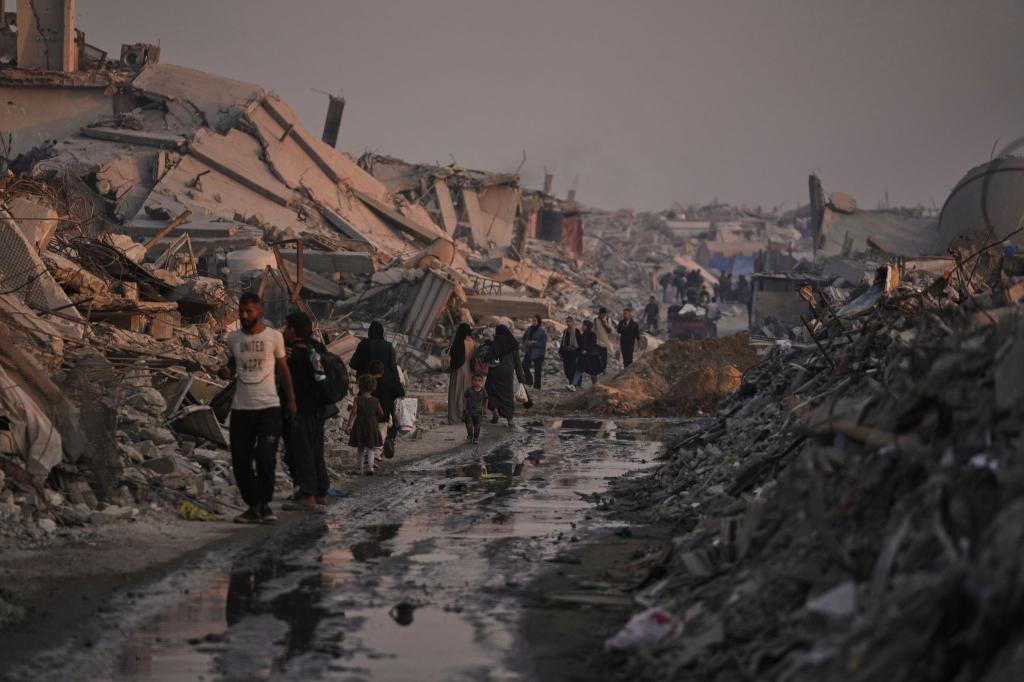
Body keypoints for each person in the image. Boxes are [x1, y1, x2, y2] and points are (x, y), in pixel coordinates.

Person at [219, 292, 296, 525]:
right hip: (241, 408)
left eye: (248, 311)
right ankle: (254, 506)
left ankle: (263, 504)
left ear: (259, 311)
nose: (243, 315)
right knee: (240, 460)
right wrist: (225, 371)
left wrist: (291, 400)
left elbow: (283, 370)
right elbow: (232, 365)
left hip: (268, 407)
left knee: (265, 457)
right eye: (241, 310)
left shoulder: (274, 337)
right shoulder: (233, 338)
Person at [280, 312, 330, 512]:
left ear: (293, 329)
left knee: (301, 451)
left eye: (287, 327)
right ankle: (320, 492)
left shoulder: (292, 352)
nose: (284, 331)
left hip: (300, 407)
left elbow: (285, 377)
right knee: (316, 450)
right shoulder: (317, 347)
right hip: (319, 407)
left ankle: (307, 495)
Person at [484, 324, 526, 429]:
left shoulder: (495, 344)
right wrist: (521, 378)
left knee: (490, 392)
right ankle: (510, 419)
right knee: (507, 396)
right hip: (508, 374)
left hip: (495, 373)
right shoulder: (513, 345)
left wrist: (488, 344)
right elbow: (517, 363)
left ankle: (495, 411)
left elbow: (487, 357)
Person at [346, 374, 384, 475]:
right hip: (372, 424)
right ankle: (370, 467)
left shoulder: (357, 400)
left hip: (360, 425)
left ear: (360, 386)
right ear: (373, 387)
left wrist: (349, 425)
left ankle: (360, 468)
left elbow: (353, 413)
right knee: (371, 447)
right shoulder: (376, 400)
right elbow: (381, 413)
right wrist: (374, 418)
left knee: (361, 447)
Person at [369, 359, 405, 458]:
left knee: (368, 438)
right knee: (381, 434)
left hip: (368, 416)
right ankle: (376, 454)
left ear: (370, 371)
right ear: (382, 371)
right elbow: (401, 392)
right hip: (384, 416)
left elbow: (360, 395)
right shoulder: (389, 381)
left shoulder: (368, 382)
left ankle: (368, 455)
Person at [446, 322, 478, 425]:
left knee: (456, 394)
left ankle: (455, 418)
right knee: (466, 395)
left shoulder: (458, 342)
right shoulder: (472, 342)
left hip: (459, 371)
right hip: (469, 372)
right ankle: (466, 416)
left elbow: (453, 358)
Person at [350, 321, 399, 385]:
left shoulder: (363, 344)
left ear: (369, 332)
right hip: (383, 384)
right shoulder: (388, 346)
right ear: (381, 332)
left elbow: (353, 364)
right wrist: (397, 383)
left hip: (364, 384)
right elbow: (393, 367)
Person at [571, 320, 602, 388]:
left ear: (586, 326)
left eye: (583, 325)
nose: (582, 326)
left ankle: (596, 385)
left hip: (591, 356)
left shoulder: (592, 334)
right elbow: (580, 345)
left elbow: (592, 343)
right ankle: (573, 384)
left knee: (592, 371)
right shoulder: (583, 335)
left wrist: (587, 350)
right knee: (579, 369)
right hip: (583, 356)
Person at [521, 315, 547, 390]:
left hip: (538, 353)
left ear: (538, 322)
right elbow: (524, 338)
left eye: (535, 321)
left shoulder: (541, 331)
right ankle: (529, 380)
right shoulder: (529, 329)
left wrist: (534, 343)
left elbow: (543, 342)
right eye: (533, 320)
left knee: (537, 371)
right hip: (529, 352)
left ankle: (537, 387)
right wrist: (527, 342)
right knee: (524, 365)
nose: (533, 322)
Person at [463, 373, 488, 443]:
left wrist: (485, 409)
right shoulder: (469, 390)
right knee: (469, 425)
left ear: (482, 382)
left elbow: (486, 399)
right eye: (475, 380)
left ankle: (476, 438)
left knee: (477, 426)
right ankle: (470, 436)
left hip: (479, 412)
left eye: (479, 380)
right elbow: (465, 398)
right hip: (469, 412)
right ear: (472, 381)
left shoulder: (483, 391)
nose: (477, 382)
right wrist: (465, 408)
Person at [559, 316, 582, 391]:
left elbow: (580, 343)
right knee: (567, 370)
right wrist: (560, 352)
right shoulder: (565, 331)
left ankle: (574, 384)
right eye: (567, 321)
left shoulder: (576, 331)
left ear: (573, 322)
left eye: (570, 321)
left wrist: (579, 353)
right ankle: (572, 383)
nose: (568, 323)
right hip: (566, 354)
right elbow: (563, 342)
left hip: (574, 354)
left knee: (573, 369)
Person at [594, 308, 613, 375]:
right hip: (597, 342)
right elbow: (594, 331)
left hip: (605, 343)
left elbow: (610, 331)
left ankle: (603, 369)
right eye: (602, 314)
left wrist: (605, 323)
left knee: (604, 359)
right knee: (597, 357)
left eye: (605, 314)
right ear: (599, 313)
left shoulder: (608, 320)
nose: (603, 316)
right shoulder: (596, 320)